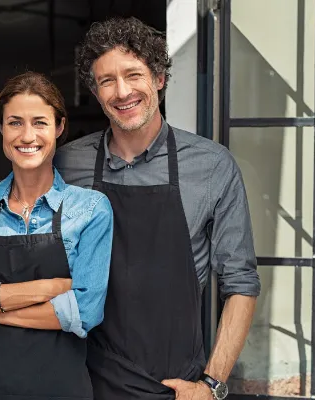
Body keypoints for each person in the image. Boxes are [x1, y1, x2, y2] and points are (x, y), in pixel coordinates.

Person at [54, 17, 261, 400]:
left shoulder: (212, 166)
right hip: (81, 380)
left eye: (133, 75)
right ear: (96, 93)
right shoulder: (66, 165)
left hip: (172, 386)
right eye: (106, 81)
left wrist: (211, 386)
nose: (122, 92)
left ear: (159, 78)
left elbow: (241, 284)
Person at [0, 71, 114, 399]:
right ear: (0, 128)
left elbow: (85, 312)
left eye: (40, 122)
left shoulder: (89, 209)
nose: (27, 135)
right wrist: (50, 289)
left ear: (59, 127)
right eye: (15, 122)